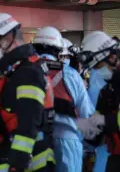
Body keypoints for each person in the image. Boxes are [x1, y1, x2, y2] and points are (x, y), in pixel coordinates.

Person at [0, 13, 54, 171]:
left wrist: (17, 163)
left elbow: (29, 120)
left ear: (6, 39)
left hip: (25, 160)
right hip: (16, 154)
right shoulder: (18, 71)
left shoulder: (27, 73)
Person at [32, 26, 94, 172]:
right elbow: (86, 114)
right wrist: (90, 146)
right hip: (67, 141)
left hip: (34, 141)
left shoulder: (25, 71)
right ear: (59, 50)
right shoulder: (71, 75)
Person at [76, 31, 120, 172]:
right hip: (114, 152)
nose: (95, 72)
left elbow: (104, 120)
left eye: (97, 66)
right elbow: (96, 127)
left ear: (112, 57)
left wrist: (105, 120)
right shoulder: (106, 90)